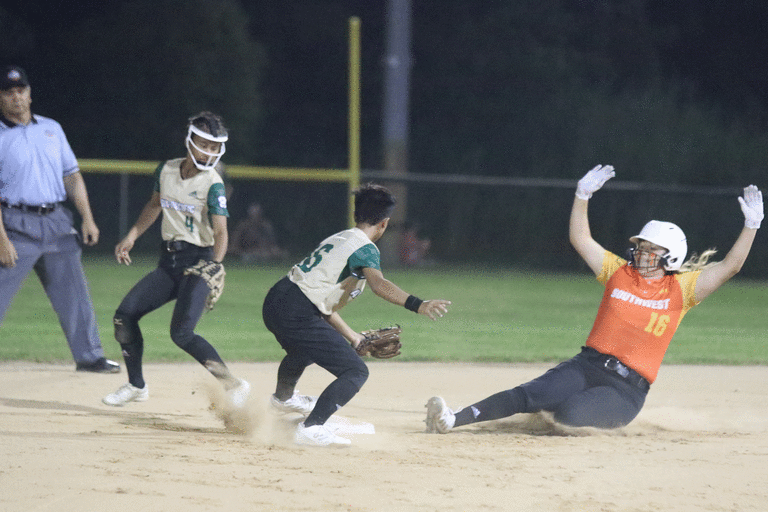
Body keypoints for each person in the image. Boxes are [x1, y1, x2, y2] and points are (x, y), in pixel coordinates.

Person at [426, 164, 763, 433]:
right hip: (586, 365)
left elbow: (730, 267)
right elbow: (581, 238)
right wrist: (582, 194)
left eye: (651, 249)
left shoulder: (682, 290)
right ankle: (452, 419)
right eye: (641, 247)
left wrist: (752, 225)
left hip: (626, 390)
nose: (642, 253)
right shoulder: (620, 272)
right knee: (530, 394)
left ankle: (552, 417)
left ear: (671, 256)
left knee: (569, 415)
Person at [262, 183, 451, 446]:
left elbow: (320, 304)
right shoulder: (365, 248)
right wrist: (418, 304)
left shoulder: (339, 239)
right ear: (384, 223)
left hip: (277, 300)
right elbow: (379, 285)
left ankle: (283, 399)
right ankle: (311, 428)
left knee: (305, 349)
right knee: (355, 371)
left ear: (355, 215)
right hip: (297, 310)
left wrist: (353, 337)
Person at [102, 111, 249, 407]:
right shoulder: (167, 170)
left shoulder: (213, 182)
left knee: (181, 333)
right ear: (189, 141)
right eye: (204, 145)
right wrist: (132, 235)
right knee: (124, 316)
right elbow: (154, 205)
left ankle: (233, 385)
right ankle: (136, 385)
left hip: (199, 261)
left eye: (214, 147)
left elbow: (221, 232)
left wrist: (215, 265)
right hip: (169, 262)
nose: (208, 152)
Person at [0, 65, 119, 373]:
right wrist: (2, 240)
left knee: (75, 293)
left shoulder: (51, 128)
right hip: (14, 224)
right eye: (9, 92)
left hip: (56, 222)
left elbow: (72, 176)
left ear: (30, 93)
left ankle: (90, 356)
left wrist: (87, 218)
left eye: (21, 90)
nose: (16, 97)